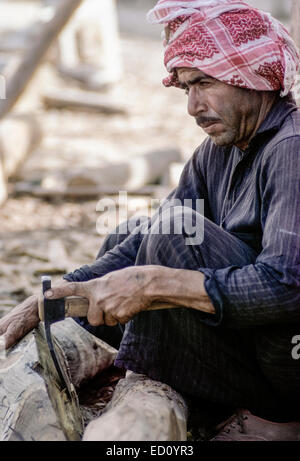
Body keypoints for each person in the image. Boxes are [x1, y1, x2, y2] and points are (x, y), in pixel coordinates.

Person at [1, 0, 300, 441]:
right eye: (185, 89)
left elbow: (289, 285)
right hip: (248, 349)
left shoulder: (290, 149)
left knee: (175, 234)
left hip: (285, 370)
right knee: (133, 233)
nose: (193, 106)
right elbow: (142, 239)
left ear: (251, 78)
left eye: (204, 83)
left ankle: (276, 423)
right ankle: (128, 367)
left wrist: (151, 284)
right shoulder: (217, 153)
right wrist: (53, 296)